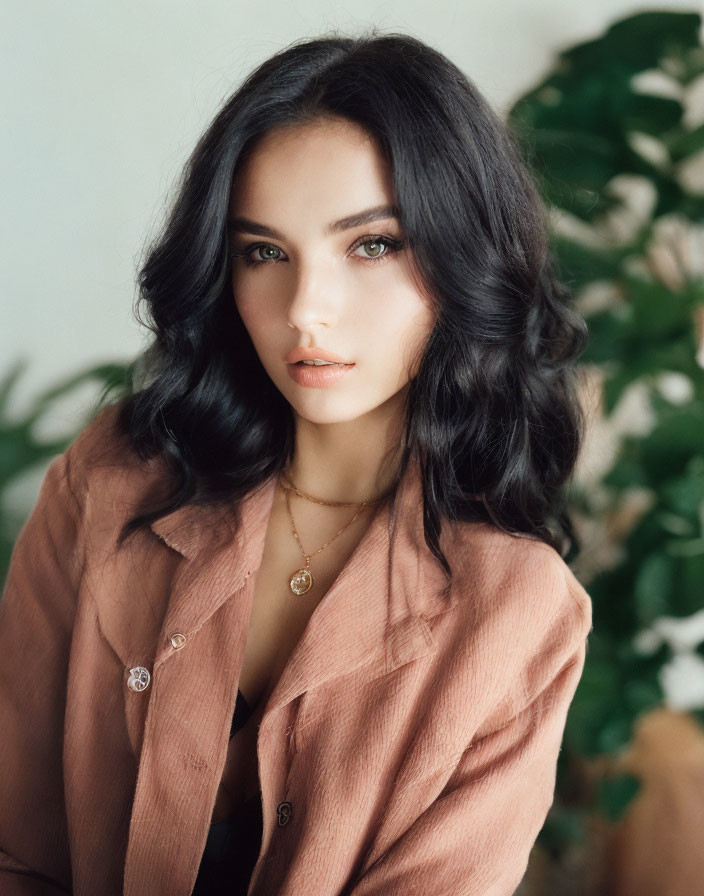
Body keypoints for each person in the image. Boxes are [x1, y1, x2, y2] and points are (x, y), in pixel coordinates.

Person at [0, 29, 593, 896]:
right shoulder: (112, 481)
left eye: (372, 245)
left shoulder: (517, 615)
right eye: (264, 253)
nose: (307, 311)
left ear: (464, 256)